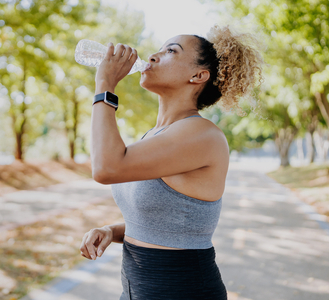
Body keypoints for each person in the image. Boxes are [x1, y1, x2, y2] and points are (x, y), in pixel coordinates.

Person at [79, 25, 264, 300]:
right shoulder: (154, 136)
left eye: (170, 51)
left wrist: (104, 85)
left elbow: (106, 168)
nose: (153, 56)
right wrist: (111, 231)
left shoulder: (203, 135)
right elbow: (166, 224)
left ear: (198, 75)